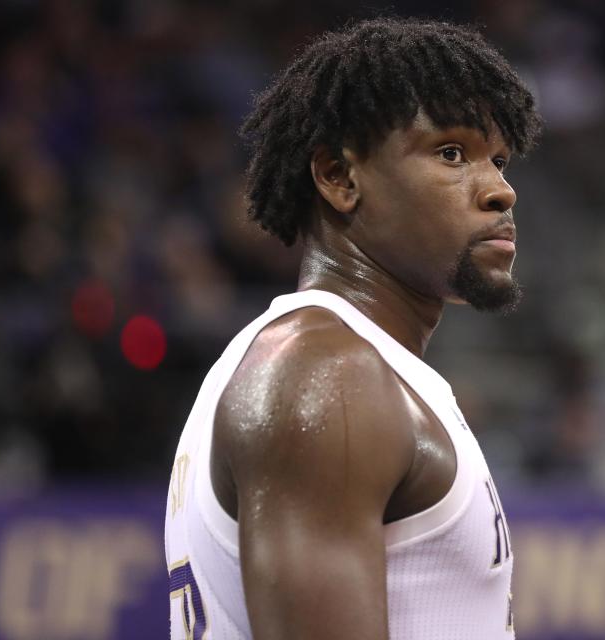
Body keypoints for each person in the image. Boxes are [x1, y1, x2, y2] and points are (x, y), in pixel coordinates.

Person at [164, 17, 542, 640]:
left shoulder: (333, 364)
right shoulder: (329, 376)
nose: (501, 191)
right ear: (339, 178)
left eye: (499, 161)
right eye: (452, 153)